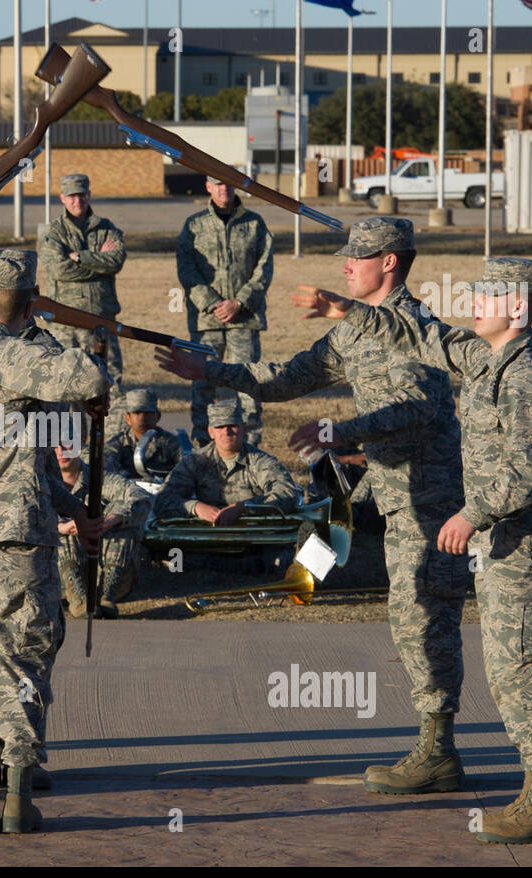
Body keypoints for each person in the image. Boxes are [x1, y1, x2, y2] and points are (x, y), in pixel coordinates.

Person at [158, 217, 470, 796]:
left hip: (432, 494)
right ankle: (436, 745)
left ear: (391, 263)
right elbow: (286, 378)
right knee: (410, 617)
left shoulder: (414, 328)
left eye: (359, 256)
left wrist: (343, 430)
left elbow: (417, 408)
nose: (346, 266)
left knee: (427, 615)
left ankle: (439, 748)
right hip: (391, 492)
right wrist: (212, 370)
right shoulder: (352, 331)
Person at [293, 257, 532, 844]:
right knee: (508, 668)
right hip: (504, 541)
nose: (473, 304)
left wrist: (470, 514)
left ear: (517, 308)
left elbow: (528, 470)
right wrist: (347, 309)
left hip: (527, 545)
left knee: (523, 666)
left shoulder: (524, 373)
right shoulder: (485, 356)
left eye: (487, 297)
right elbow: (423, 334)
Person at [0, 248, 109, 835]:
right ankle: (18, 798)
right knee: (22, 660)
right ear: (32, 303)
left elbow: (23, 460)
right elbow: (89, 377)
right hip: (13, 542)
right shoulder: (17, 355)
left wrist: (71, 511)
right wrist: (77, 339)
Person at [176, 174, 274, 446]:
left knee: (248, 384)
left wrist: (240, 302)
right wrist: (211, 302)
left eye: (229, 183)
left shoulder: (254, 223)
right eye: (218, 183)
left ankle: (250, 446)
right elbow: (186, 268)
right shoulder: (194, 224)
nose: (224, 188)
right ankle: (202, 448)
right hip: (207, 319)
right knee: (203, 385)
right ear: (208, 187)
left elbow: (264, 268)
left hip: (244, 318)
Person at [36, 172, 127, 391]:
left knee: (111, 384)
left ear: (89, 195)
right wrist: (98, 263)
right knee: (67, 387)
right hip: (65, 323)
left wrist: (79, 257)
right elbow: (59, 269)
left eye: (82, 195)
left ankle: (111, 427)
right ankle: (74, 428)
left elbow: (115, 261)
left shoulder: (106, 228)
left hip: (101, 319)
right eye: (72, 196)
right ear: (62, 198)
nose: (78, 201)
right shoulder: (54, 231)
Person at [155, 399, 301, 521]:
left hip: (254, 539)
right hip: (206, 541)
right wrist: (195, 507)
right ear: (210, 432)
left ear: (244, 428)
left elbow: (288, 493)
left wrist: (244, 508)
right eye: (220, 426)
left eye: (232, 425)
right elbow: (162, 500)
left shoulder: (260, 461)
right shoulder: (195, 461)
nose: (227, 432)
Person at [54, 443, 151, 620]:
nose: (61, 451)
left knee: (123, 517)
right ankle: (77, 596)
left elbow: (141, 497)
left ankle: (108, 592)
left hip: (105, 567)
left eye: (68, 444)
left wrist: (107, 521)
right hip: (57, 575)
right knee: (62, 531)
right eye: (55, 445)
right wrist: (61, 527)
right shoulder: (42, 480)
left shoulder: (97, 476)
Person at [102, 388, 183, 483]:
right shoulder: (117, 444)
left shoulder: (171, 442)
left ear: (158, 416)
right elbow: (108, 472)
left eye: (147, 413)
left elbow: (187, 470)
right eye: (137, 413)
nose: (142, 418)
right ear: (128, 418)